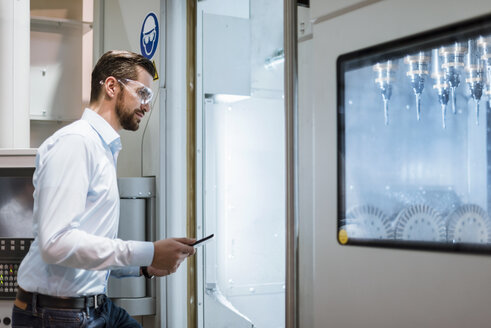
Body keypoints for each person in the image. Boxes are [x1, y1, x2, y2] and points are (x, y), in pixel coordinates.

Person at [12, 50, 196, 327]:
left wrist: (143, 267)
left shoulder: (102, 147)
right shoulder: (76, 143)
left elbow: (86, 243)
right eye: (143, 94)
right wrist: (149, 251)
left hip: (94, 307)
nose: (147, 106)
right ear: (111, 86)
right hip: (55, 315)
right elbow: (56, 244)